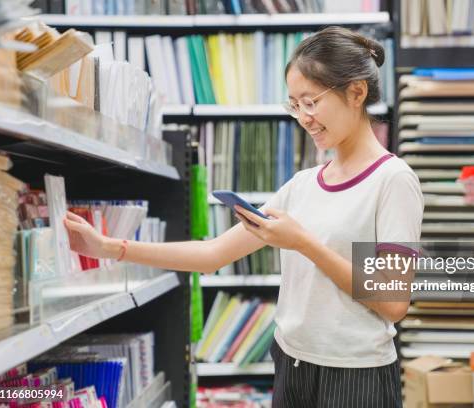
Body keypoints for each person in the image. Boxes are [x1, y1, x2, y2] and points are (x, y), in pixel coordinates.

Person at [64, 26, 423, 408]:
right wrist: (110, 247)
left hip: (356, 374)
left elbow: (393, 300)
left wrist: (303, 243)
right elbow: (212, 255)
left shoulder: (392, 179)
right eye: (294, 105)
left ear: (356, 92)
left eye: (311, 102)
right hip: (293, 364)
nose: (303, 117)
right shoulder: (302, 185)